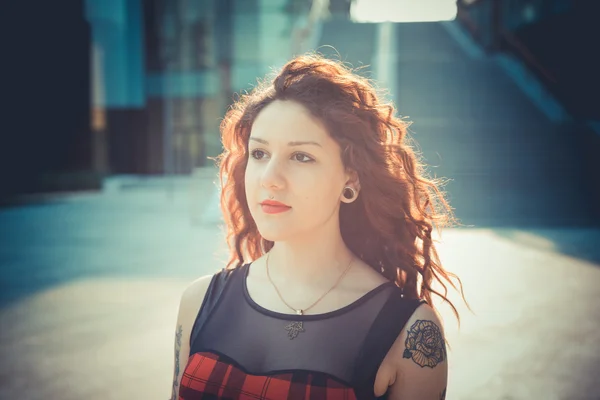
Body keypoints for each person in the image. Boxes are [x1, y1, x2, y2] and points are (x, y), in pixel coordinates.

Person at [169, 54, 466, 400]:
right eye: (260, 154)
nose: (270, 180)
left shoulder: (409, 332)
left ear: (350, 179)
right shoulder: (200, 302)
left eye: (301, 157)